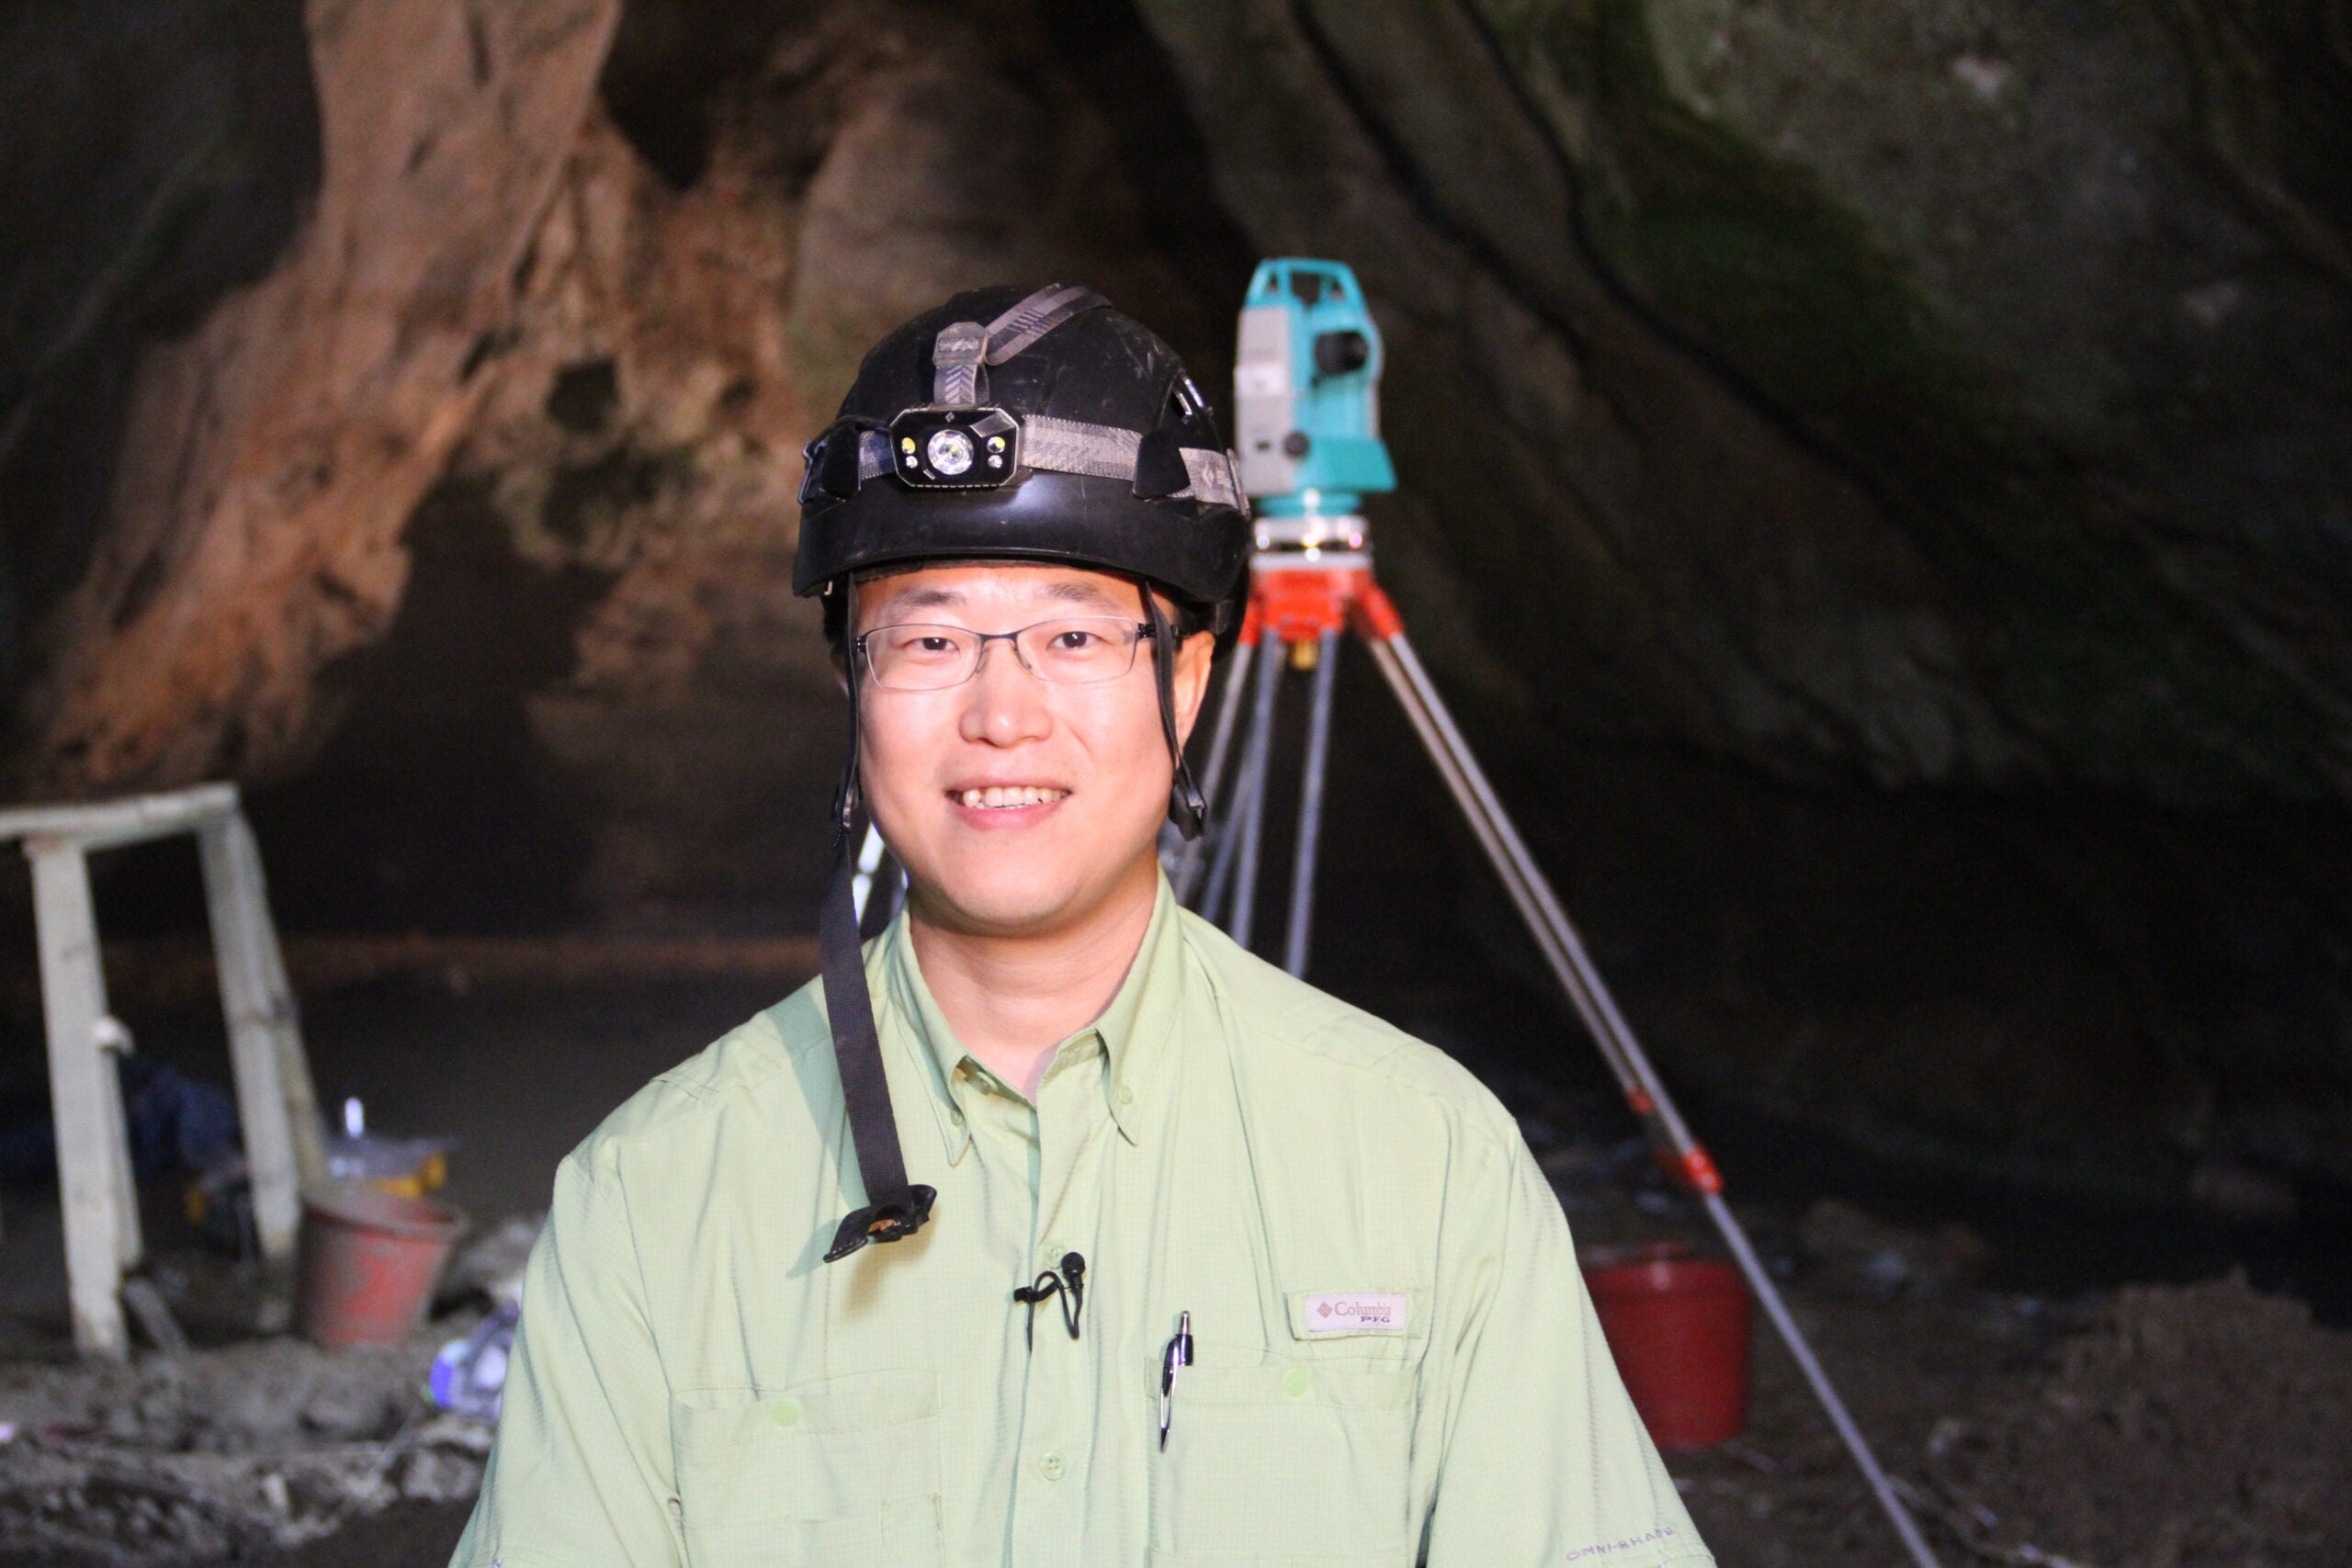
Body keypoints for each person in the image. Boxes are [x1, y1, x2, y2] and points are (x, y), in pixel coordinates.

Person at [452, 285, 1713, 1567]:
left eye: (1073, 634)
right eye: (929, 638)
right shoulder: (654, 1202)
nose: (1004, 713)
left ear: (1188, 678)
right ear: (853, 685)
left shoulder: (1425, 1167)